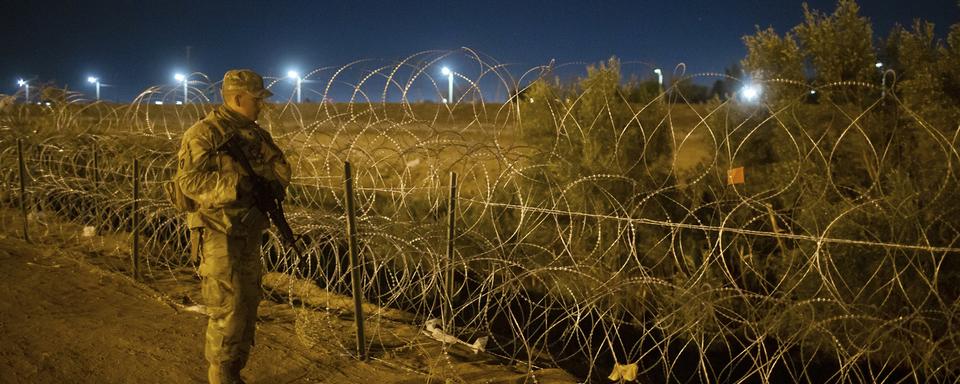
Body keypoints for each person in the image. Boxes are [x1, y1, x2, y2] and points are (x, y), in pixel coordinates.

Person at [175, 69, 291, 384]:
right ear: (238, 98)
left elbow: (280, 169)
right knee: (227, 306)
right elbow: (188, 181)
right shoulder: (205, 134)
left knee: (247, 302)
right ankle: (221, 375)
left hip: (248, 228)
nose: (261, 106)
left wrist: (269, 184)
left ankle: (234, 369)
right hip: (217, 232)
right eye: (257, 99)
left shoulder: (256, 135)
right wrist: (236, 185)